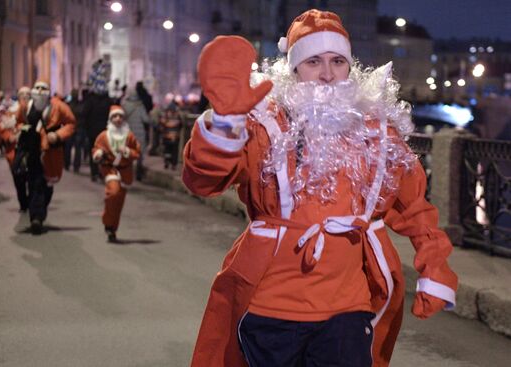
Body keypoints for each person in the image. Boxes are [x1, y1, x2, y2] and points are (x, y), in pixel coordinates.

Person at [182, 9, 458, 367]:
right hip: (270, 306)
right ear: (294, 69)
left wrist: (435, 266)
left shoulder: (376, 133)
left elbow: (415, 209)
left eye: (337, 61)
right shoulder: (263, 126)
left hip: (348, 309)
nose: (327, 74)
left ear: (349, 67)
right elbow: (203, 181)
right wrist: (222, 127)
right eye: (314, 61)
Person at [15, 80, 76, 234]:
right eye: (37, 88)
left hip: (51, 153)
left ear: (49, 91)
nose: (40, 91)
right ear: (33, 90)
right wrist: (23, 130)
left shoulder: (59, 106)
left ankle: (39, 211)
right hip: (32, 151)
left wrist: (58, 135)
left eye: (44, 88)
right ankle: (36, 217)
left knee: (47, 185)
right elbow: (18, 123)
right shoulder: (25, 107)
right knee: (35, 183)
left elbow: (71, 124)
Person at [92, 105, 140, 242]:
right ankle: (107, 221)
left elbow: (137, 152)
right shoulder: (104, 135)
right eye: (115, 116)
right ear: (110, 119)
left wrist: (127, 151)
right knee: (113, 193)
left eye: (120, 116)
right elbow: (96, 149)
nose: (118, 119)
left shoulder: (129, 136)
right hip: (110, 170)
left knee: (119, 202)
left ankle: (112, 228)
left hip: (125, 171)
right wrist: (98, 154)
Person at [2, 86, 31, 211]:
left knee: (31, 178)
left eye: (27, 94)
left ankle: (31, 202)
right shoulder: (10, 111)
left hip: (30, 151)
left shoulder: (33, 110)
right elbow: (4, 129)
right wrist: (10, 137)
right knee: (18, 179)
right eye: (22, 94)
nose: (24, 96)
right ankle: (23, 203)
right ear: (18, 96)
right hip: (14, 152)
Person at [121, 85, 149, 180]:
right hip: (139, 132)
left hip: (128, 132)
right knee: (139, 153)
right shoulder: (140, 105)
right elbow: (145, 119)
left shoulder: (124, 105)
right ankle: (138, 173)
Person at [160, 101, 182, 170]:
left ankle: (167, 162)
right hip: (175, 137)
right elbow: (181, 125)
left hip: (167, 136)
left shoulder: (165, 116)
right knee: (174, 151)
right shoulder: (178, 116)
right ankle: (173, 165)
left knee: (167, 150)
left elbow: (162, 124)